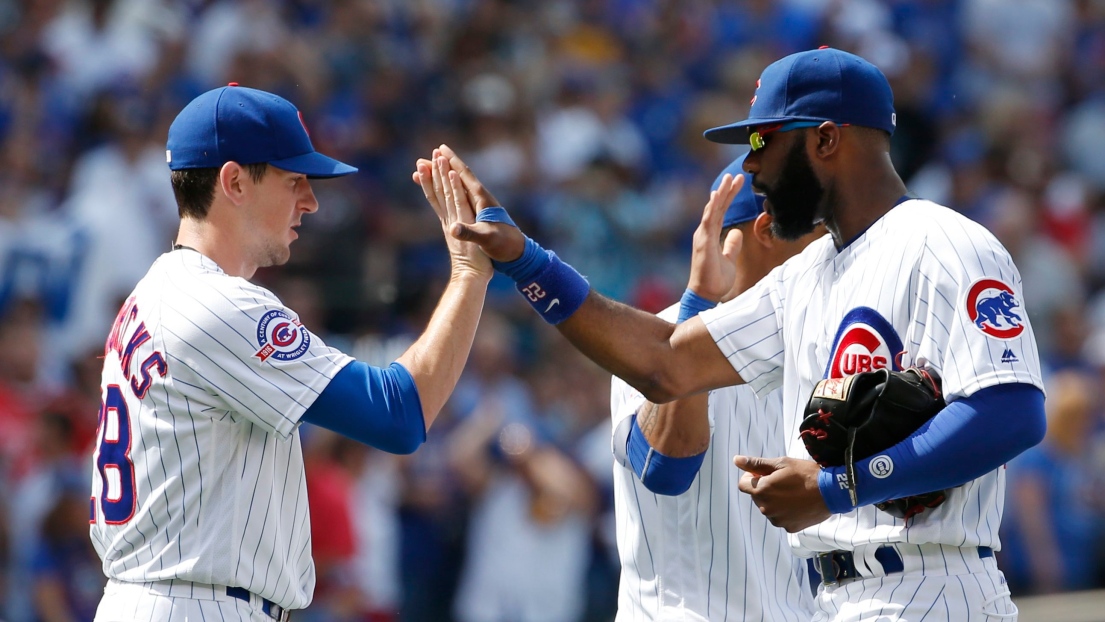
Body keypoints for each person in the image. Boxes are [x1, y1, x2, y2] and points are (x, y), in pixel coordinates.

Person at [430, 46, 1046, 620]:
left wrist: (839, 487)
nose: (751, 164)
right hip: (834, 598)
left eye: (762, 140)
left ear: (827, 139)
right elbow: (665, 361)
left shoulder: (943, 244)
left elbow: (1013, 411)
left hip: (933, 587)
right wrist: (526, 260)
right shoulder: (808, 276)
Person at [89, 85, 493, 621]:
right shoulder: (219, 304)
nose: (311, 200)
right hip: (196, 602)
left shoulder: (157, 295)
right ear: (233, 181)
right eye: (292, 179)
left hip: (170, 595)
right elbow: (398, 414)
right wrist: (468, 274)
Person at [609, 153, 818, 620]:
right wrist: (699, 306)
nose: (833, 246)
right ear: (767, 231)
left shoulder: (812, 346)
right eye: (820, 231)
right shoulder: (661, 336)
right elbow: (664, 469)